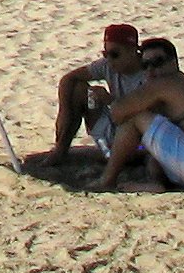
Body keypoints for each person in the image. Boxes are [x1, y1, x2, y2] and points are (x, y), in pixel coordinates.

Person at [98, 39, 184, 192]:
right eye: (145, 65)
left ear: (174, 62)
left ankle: (107, 180)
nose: (151, 70)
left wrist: (107, 98)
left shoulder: (164, 84)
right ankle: (156, 183)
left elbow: (118, 112)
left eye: (158, 62)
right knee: (155, 136)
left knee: (136, 117)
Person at [40, 23, 148, 169]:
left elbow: (141, 117)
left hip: (139, 138)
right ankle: (61, 149)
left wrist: (109, 100)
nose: (110, 60)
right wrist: (65, 112)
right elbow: (68, 79)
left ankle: (111, 156)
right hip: (114, 126)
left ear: (133, 50)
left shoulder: (149, 74)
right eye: (106, 54)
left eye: (115, 54)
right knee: (78, 90)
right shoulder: (107, 65)